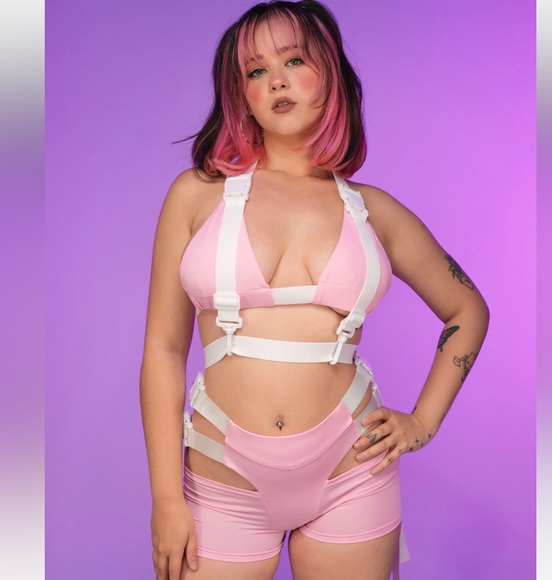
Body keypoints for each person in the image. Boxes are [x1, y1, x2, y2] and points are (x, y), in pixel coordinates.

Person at [140, 1, 490, 579]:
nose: (276, 80)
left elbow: (467, 309)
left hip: (352, 474)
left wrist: (422, 422)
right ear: (242, 95)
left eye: (294, 60)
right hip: (221, 477)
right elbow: (163, 349)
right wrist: (164, 500)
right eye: (256, 70)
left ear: (331, 73)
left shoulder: (373, 211)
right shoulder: (196, 196)